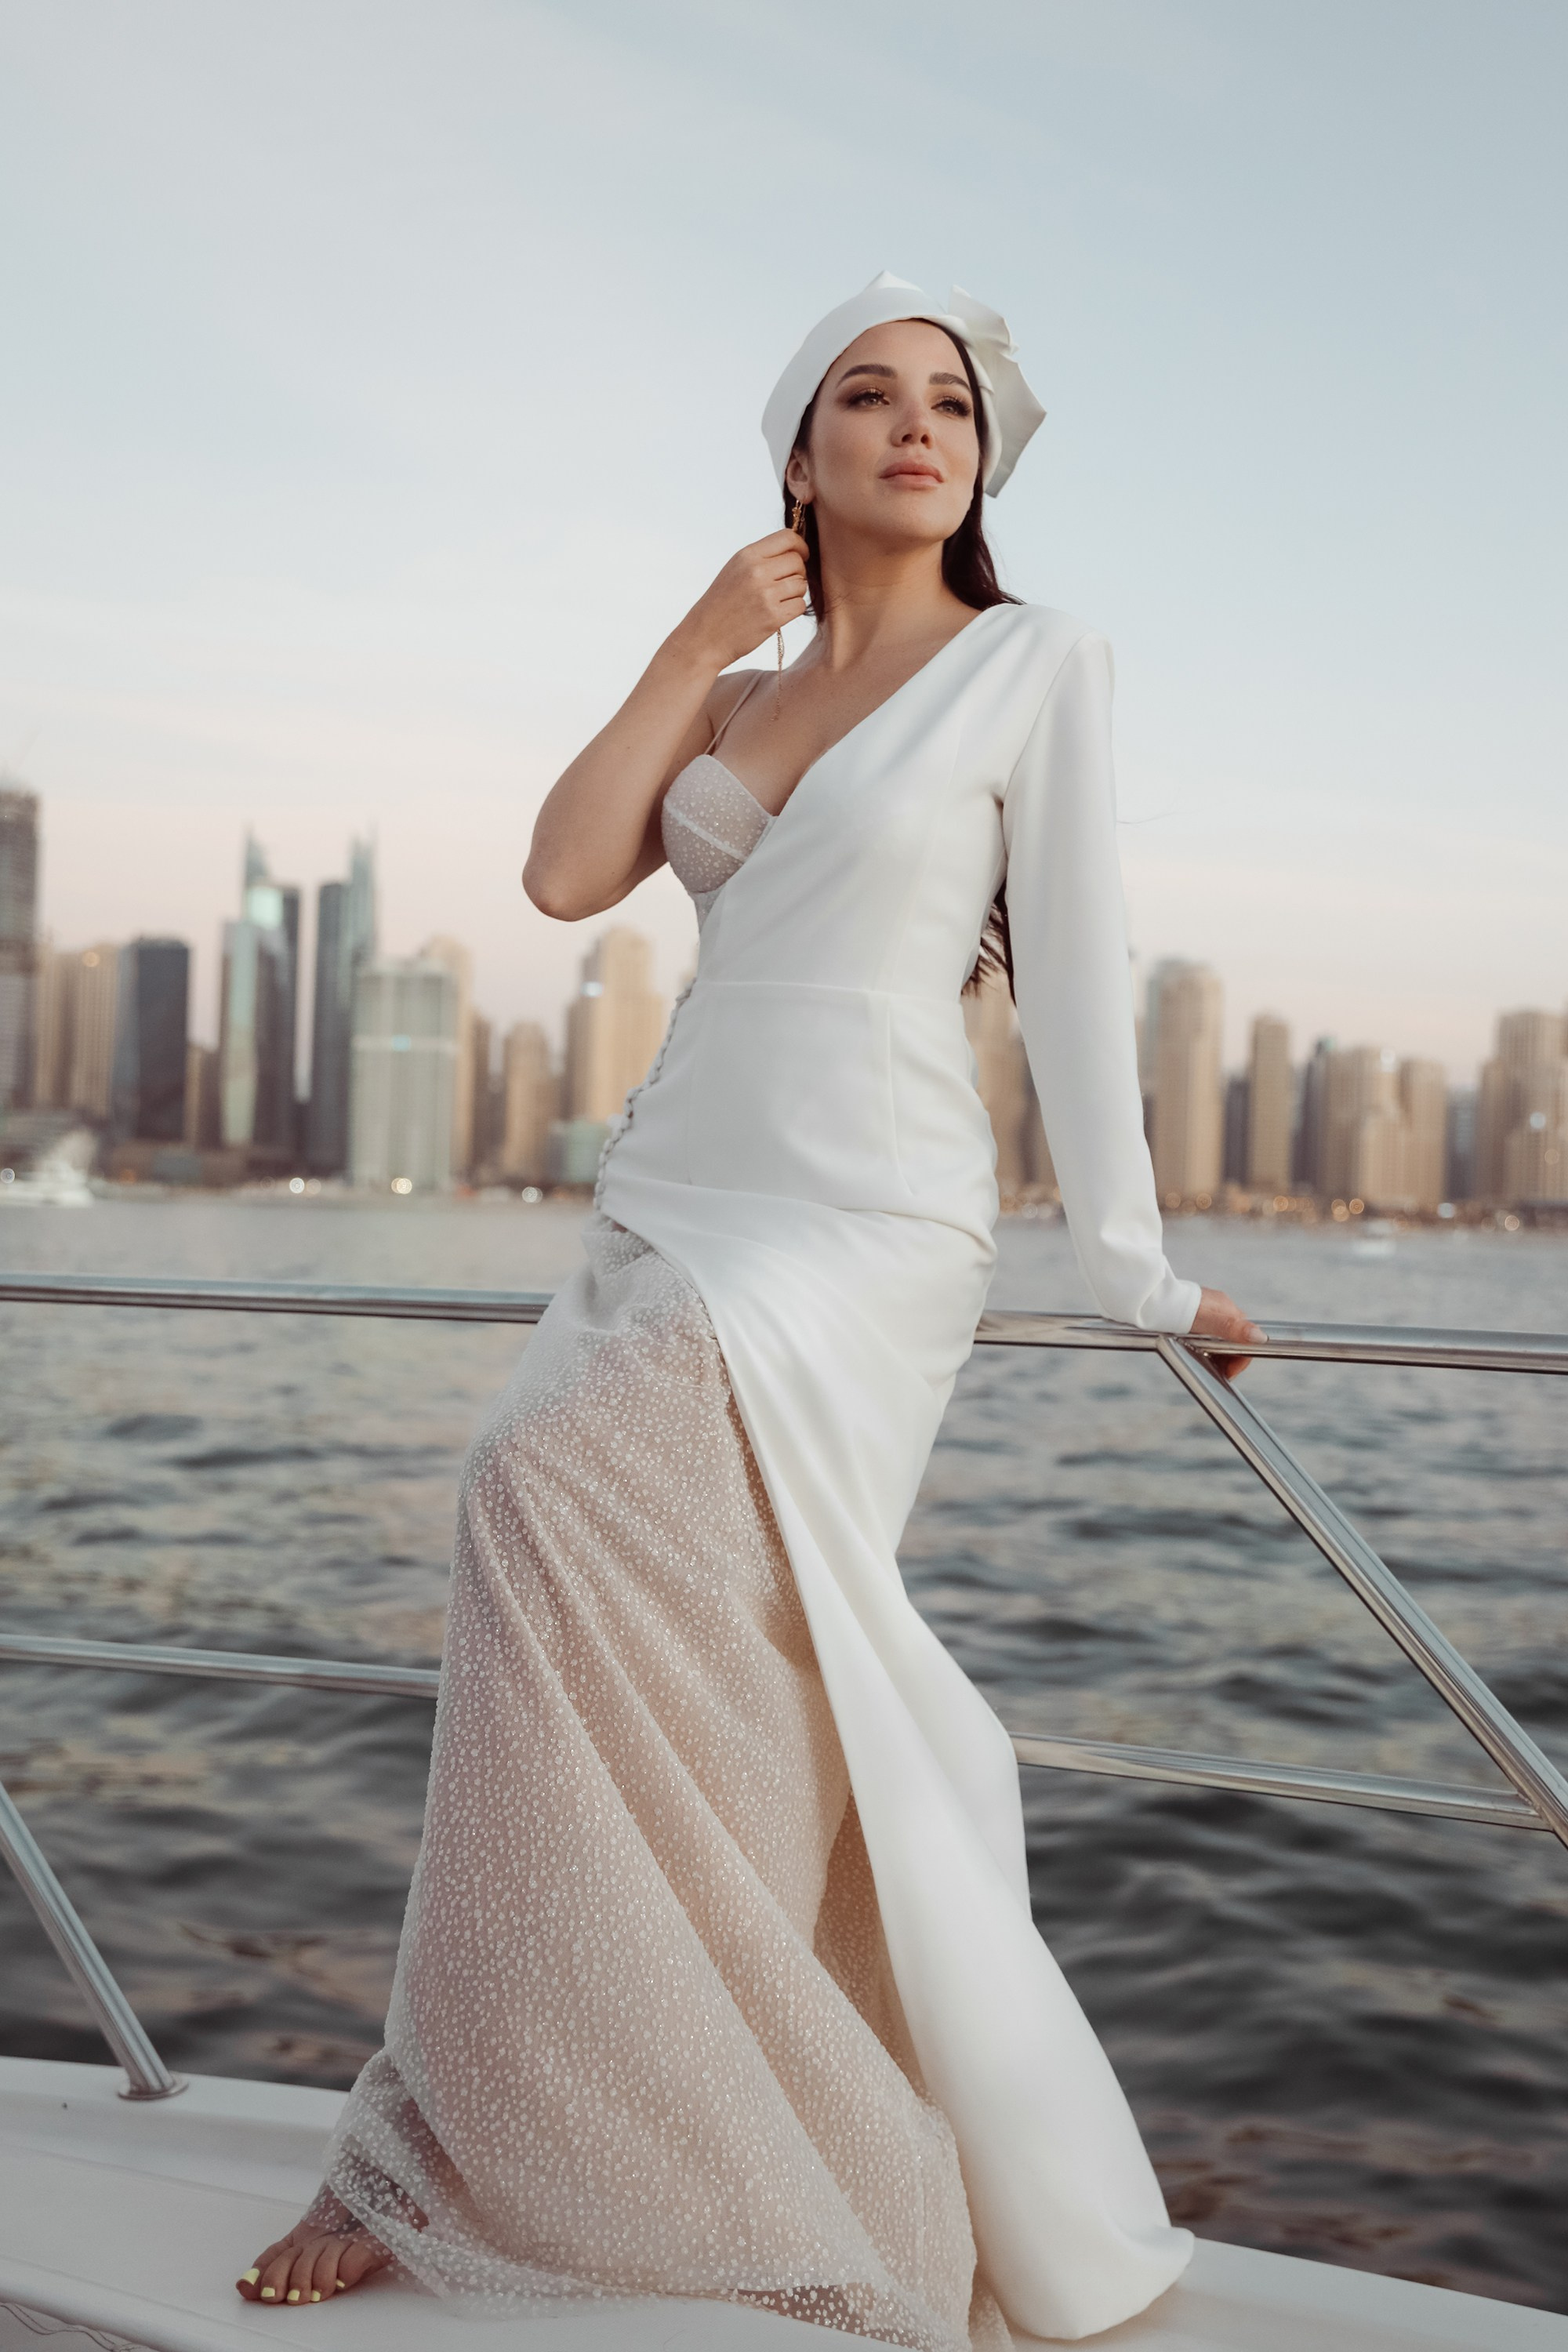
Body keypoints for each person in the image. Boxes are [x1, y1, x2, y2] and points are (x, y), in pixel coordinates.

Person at [238, 273, 1261, 2347]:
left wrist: (1135, 1267)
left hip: (866, 1218)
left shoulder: (1034, 666)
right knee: (672, 1641)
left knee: (544, 1496)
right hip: (672, 1195)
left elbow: (1078, 974)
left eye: (949, 407)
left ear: (983, 461)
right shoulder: (732, 698)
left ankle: (725, 2143)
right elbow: (557, 876)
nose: (915, 428)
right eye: (865, 400)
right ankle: (452, 2128)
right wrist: (699, 639)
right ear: (798, 456)